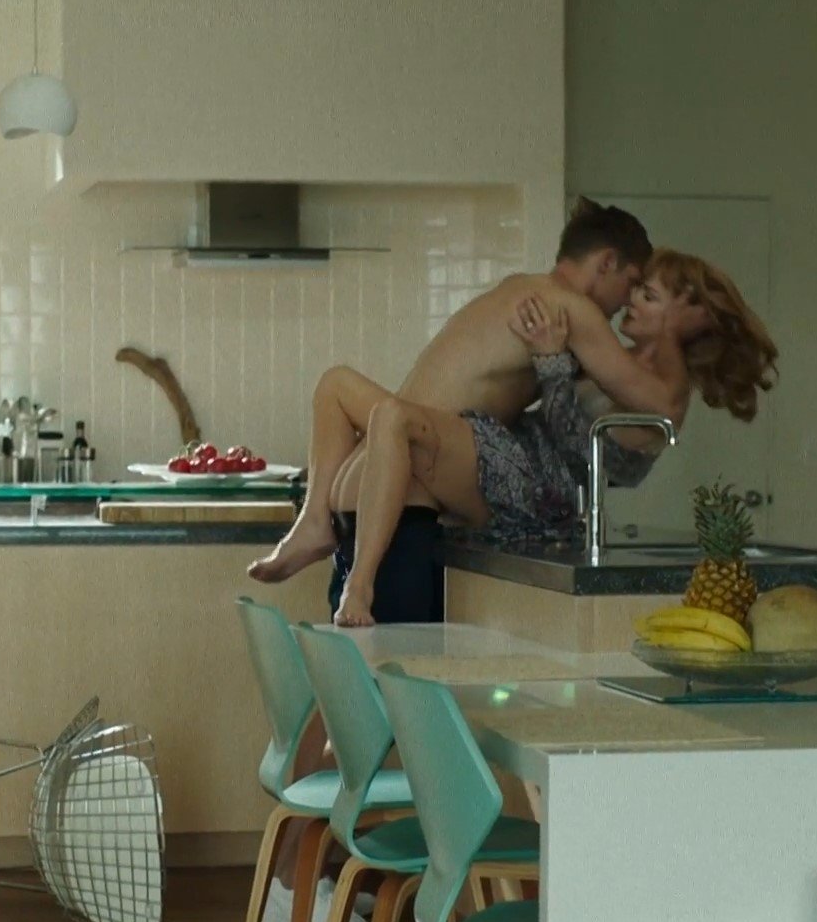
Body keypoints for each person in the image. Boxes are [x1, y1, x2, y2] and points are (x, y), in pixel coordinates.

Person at [247, 198, 675, 617]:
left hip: (364, 494)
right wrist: (674, 327)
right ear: (607, 262)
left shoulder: (519, 288)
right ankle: (351, 573)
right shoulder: (571, 310)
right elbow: (659, 403)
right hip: (403, 484)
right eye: (631, 283)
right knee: (393, 418)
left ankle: (315, 521)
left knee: (335, 383)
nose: (628, 301)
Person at [328, 248, 779, 625]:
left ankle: (358, 583)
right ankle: (322, 530)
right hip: (511, 459)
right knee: (346, 391)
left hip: (537, 493)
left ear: (692, 315)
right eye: (637, 289)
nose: (631, 301)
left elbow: (582, 450)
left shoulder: (666, 395)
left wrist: (550, 363)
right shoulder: (622, 362)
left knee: (398, 421)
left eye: (649, 295)